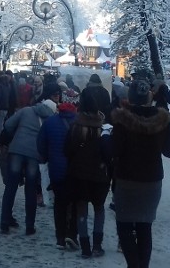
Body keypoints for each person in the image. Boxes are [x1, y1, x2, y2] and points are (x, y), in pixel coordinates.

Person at [110, 79, 170, 268]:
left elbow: (113, 150)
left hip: (127, 180)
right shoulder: (161, 120)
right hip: (152, 181)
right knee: (144, 226)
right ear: (149, 96)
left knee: (124, 226)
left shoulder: (122, 120)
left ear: (130, 97)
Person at [0, 83, 58, 235]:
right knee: (31, 190)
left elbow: (8, 125)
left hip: (17, 150)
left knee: (11, 187)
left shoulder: (26, 111)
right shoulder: (51, 120)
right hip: (34, 154)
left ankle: (4, 222)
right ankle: (30, 226)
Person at [65, 99, 111, 258]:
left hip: (79, 174)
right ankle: (97, 245)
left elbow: (67, 150)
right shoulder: (105, 129)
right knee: (99, 209)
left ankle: (85, 247)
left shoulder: (75, 127)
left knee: (81, 209)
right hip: (100, 175)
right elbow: (110, 154)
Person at [37, 101, 78, 251]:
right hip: (75, 171)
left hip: (56, 169)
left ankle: (60, 238)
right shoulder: (78, 122)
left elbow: (40, 143)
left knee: (59, 204)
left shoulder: (49, 122)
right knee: (74, 204)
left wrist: (48, 157)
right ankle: (72, 235)